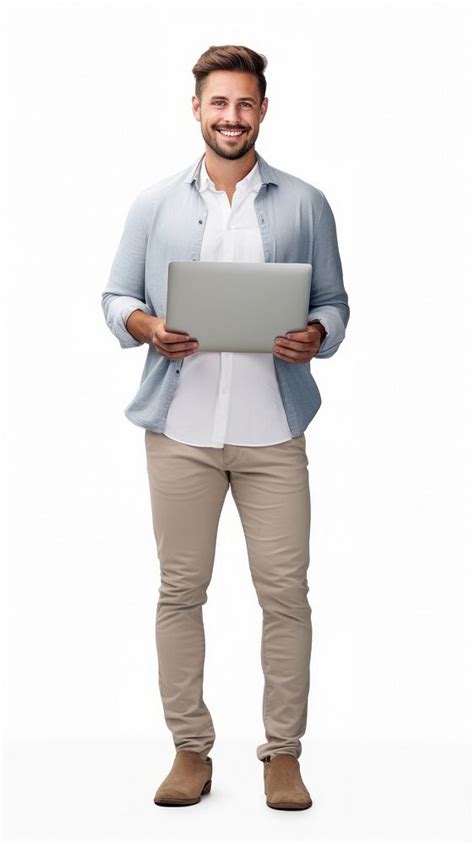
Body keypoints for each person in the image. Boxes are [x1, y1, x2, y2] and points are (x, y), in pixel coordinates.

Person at [101, 44, 350, 811]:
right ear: (198, 109)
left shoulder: (305, 202)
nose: (231, 117)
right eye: (219, 104)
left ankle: (282, 752)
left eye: (245, 103)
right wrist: (148, 326)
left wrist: (316, 334)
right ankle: (189, 750)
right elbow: (115, 296)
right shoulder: (155, 203)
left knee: (285, 593)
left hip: (273, 432)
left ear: (263, 110)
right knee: (181, 590)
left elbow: (336, 306)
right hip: (180, 431)